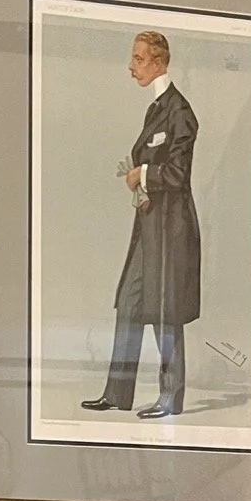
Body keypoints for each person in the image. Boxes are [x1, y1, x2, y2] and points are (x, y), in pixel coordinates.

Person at [82, 33, 201, 419]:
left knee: (166, 312)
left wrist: (142, 174)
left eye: (137, 58)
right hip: (149, 227)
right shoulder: (156, 109)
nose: (131, 66)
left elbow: (179, 175)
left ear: (158, 62)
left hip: (171, 229)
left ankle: (171, 397)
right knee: (130, 306)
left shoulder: (179, 111)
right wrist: (143, 176)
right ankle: (117, 394)